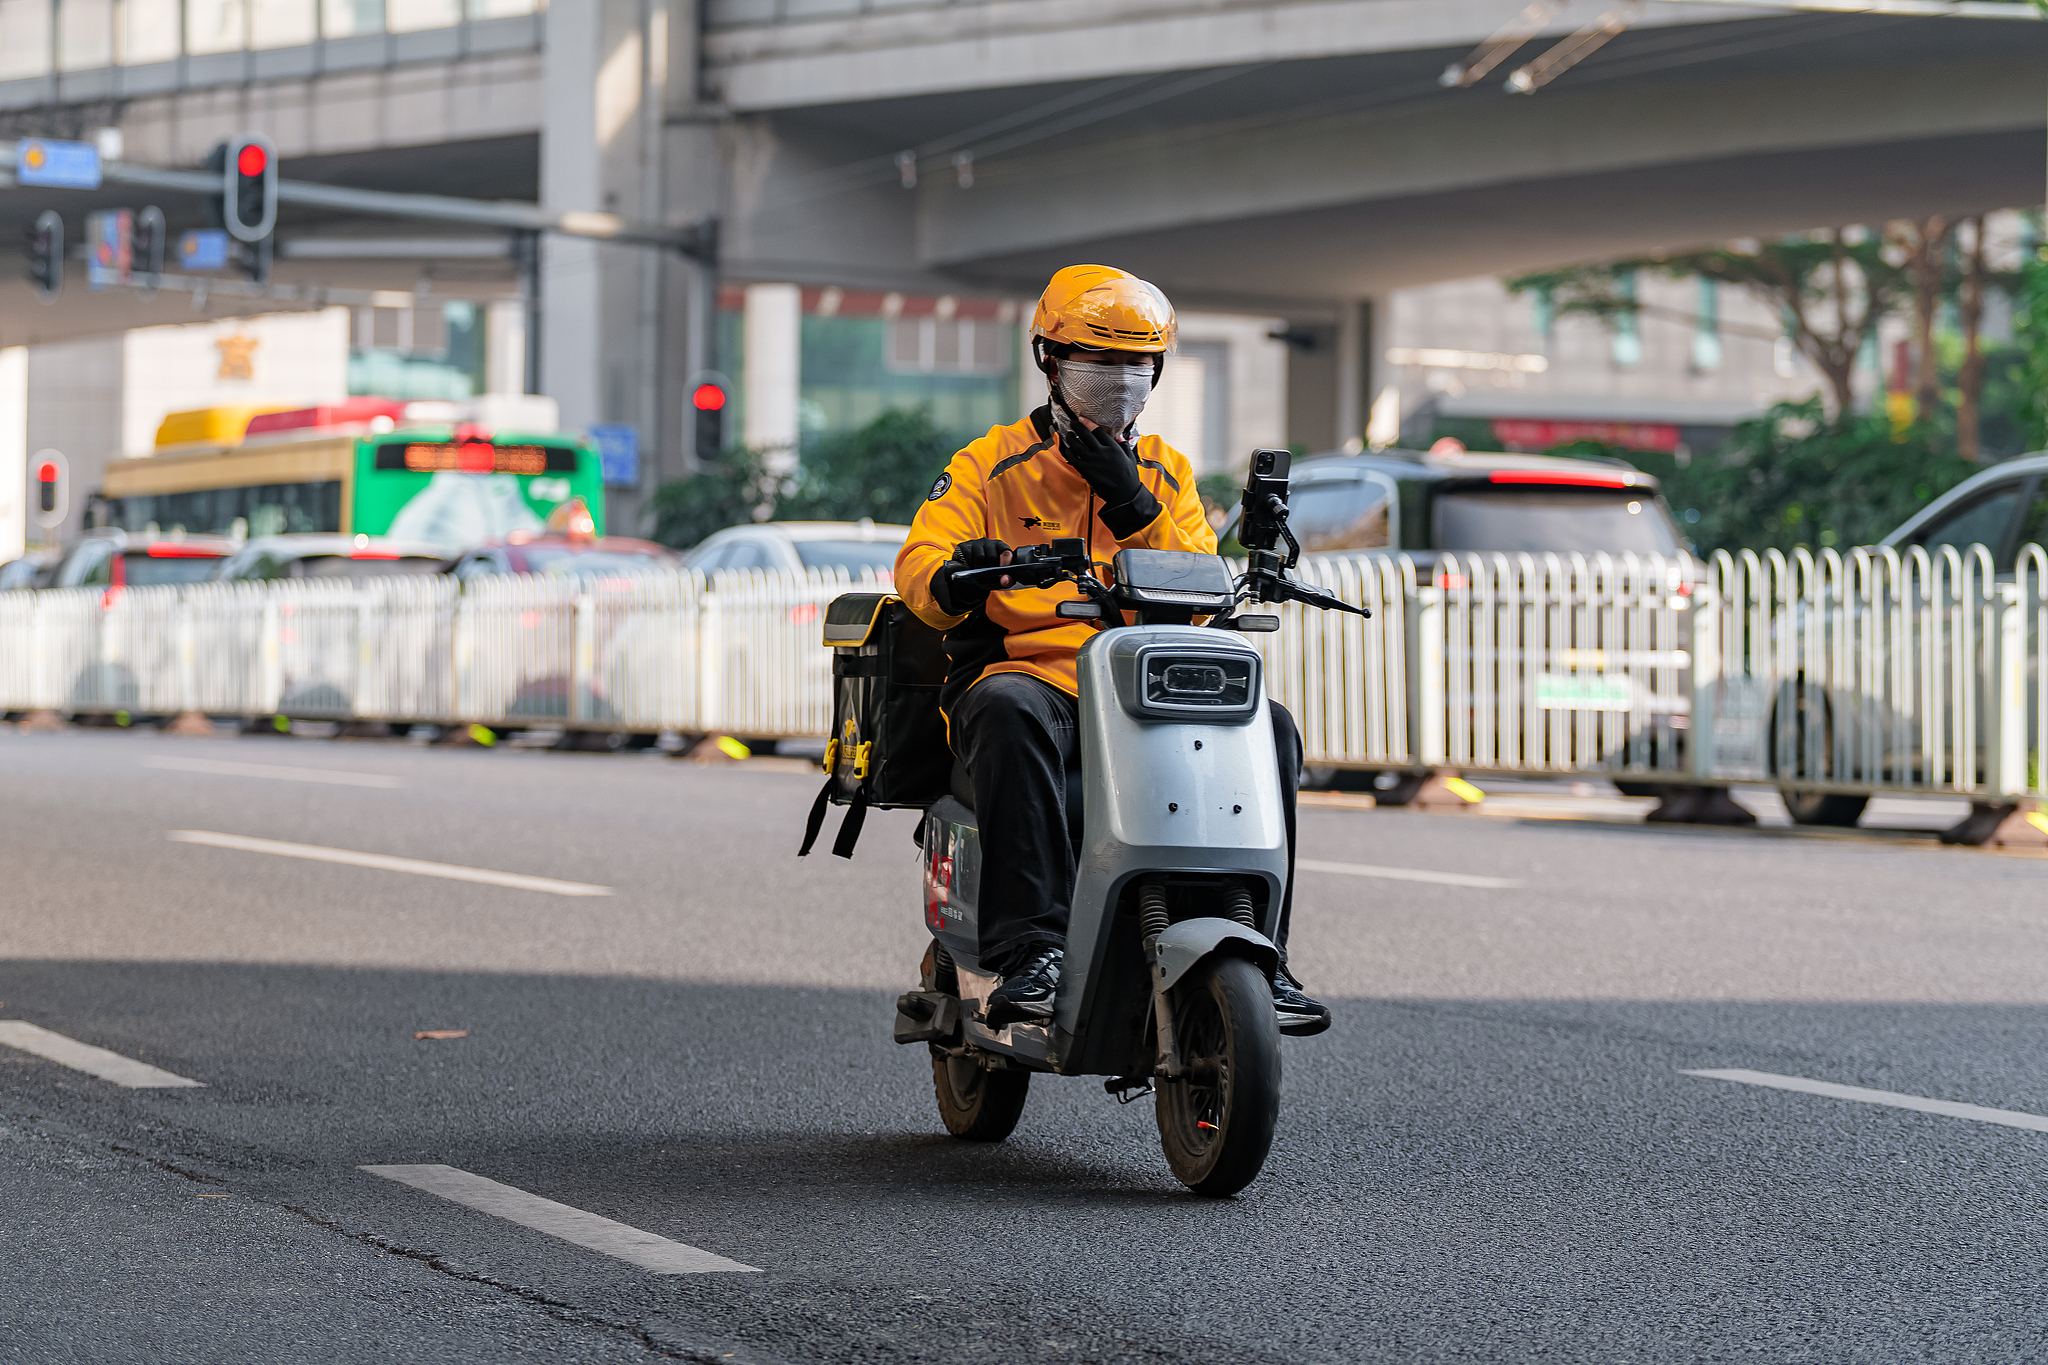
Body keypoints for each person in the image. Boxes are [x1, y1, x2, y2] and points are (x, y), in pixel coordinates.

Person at [895, 264, 1330, 1037]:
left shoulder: (1167, 471)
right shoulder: (988, 464)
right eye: (1099, 362)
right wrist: (960, 573)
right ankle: (1032, 949)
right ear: (1050, 362)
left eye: (1136, 365)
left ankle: (1269, 951)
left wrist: (1132, 499)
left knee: (1274, 727)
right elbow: (919, 568)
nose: (1119, 380)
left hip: (1140, 691)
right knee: (1006, 707)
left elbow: (1202, 585)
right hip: (1034, 677)